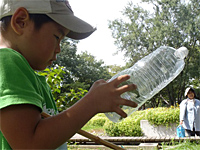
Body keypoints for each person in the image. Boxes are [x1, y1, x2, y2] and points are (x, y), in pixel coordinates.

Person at [0, 0, 138, 149]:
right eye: (57, 37)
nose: (59, 49)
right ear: (21, 22)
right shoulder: (6, 61)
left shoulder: (29, 76)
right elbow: (29, 144)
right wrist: (92, 103)